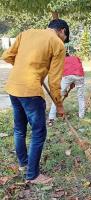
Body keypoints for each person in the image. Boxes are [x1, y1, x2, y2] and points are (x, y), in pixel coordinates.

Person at [1, 19, 69, 184]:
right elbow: (54, 81)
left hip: (13, 87)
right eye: (65, 37)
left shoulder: (27, 33)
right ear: (62, 31)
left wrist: (25, 67)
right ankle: (33, 175)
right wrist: (59, 105)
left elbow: (7, 56)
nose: (63, 40)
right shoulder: (57, 44)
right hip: (31, 91)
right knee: (38, 133)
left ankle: (24, 164)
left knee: (19, 129)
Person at [48, 53, 85, 126]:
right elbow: (78, 68)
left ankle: (51, 117)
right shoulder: (75, 57)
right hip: (80, 75)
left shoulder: (62, 60)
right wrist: (66, 90)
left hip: (68, 75)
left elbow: (62, 75)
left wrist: (64, 91)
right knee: (81, 97)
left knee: (57, 95)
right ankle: (81, 116)